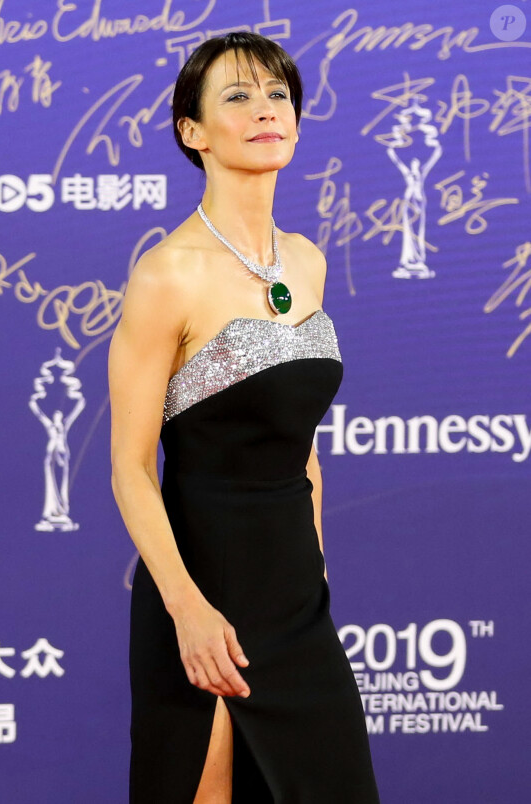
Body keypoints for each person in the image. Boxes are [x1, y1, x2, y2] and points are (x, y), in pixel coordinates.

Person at [108, 31, 380, 803]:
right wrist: (187, 610)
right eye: (237, 96)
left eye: (278, 95)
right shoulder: (167, 273)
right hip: (204, 595)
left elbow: (302, 449)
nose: (265, 110)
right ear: (192, 133)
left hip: (298, 602)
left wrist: (316, 566)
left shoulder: (309, 260)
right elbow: (131, 469)